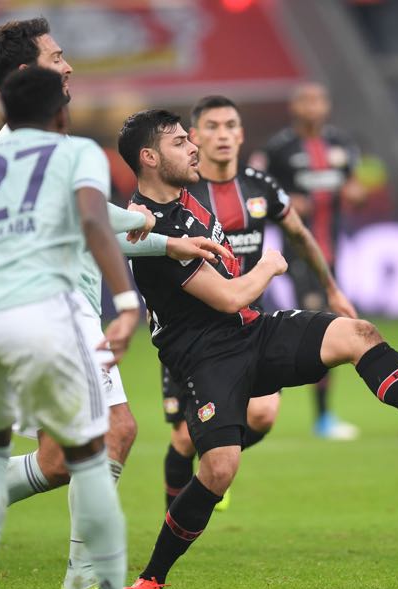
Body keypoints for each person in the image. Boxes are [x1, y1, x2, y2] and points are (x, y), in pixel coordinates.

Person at [118, 109, 398, 589]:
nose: (193, 146)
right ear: (149, 158)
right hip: (206, 357)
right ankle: (151, 580)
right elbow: (232, 296)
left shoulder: (186, 195)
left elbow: (266, 250)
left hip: (251, 332)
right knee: (219, 470)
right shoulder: (150, 228)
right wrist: (271, 267)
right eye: (179, 142)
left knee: (357, 333)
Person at [0, 18, 230, 589]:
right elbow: (95, 216)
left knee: (55, 460)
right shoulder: (52, 149)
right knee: (114, 432)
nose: (69, 66)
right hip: (56, 312)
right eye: (57, 58)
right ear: (28, 74)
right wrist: (141, 229)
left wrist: (168, 242)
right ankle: (85, 586)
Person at [161, 95, 358, 512]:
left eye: (230, 126)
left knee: (264, 414)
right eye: (212, 127)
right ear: (194, 136)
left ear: (241, 134)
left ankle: (215, 468)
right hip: (189, 330)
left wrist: (333, 289)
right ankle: (180, 512)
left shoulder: (259, 185)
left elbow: (301, 236)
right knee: (182, 438)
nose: (223, 135)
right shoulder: (181, 192)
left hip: (247, 321)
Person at [0, 66, 137, 589]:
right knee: (93, 452)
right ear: (60, 113)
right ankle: (101, 588)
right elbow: (95, 222)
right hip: (47, 314)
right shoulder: (75, 154)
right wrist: (125, 301)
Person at [250, 81, 366, 440]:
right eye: (307, 100)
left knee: (313, 328)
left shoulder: (341, 145)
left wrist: (355, 192)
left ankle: (304, 409)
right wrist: (283, 203)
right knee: (318, 325)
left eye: (320, 100)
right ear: (295, 107)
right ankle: (308, 412)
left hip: (330, 252)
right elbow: (256, 193)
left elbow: (354, 187)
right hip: (294, 254)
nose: (314, 107)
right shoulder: (279, 148)